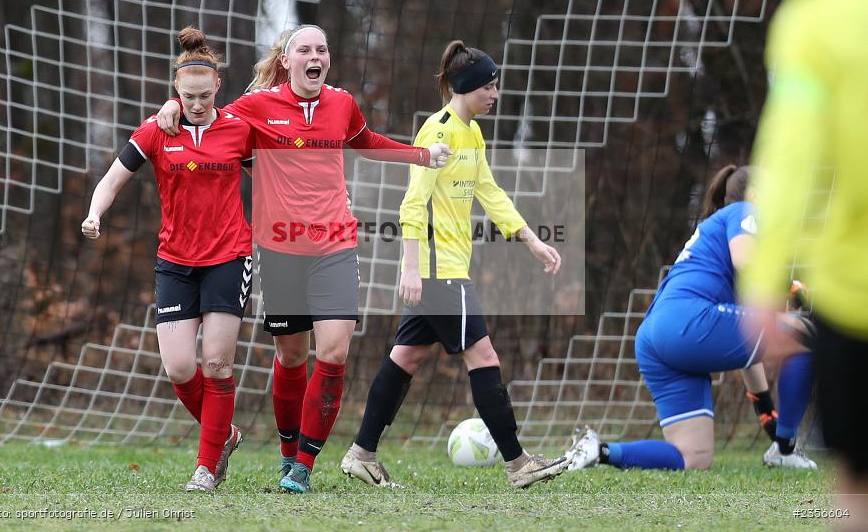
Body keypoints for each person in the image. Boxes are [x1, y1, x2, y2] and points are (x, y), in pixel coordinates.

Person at [156, 24, 451, 493]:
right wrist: (172, 106)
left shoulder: (341, 103)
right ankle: (287, 452)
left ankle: (305, 465)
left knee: (333, 351)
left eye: (322, 49)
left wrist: (420, 154)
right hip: (280, 250)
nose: (315, 56)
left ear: (327, 59)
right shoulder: (255, 108)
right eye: (305, 50)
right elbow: (207, 116)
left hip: (335, 246)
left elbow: (367, 141)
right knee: (292, 357)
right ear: (287, 61)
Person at [339, 40, 572, 489]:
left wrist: (531, 240)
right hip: (438, 268)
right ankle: (518, 463)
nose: (496, 94)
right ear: (467, 87)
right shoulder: (438, 132)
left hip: (444, 268)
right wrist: (410, 268)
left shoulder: (472, 133)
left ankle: (360, 453)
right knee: (483, 356)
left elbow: (490, 193)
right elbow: (413, 203)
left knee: (405, 358)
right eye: (489, 86)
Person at [82, 28, 252, 492]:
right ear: (175, 92)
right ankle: (226, 436)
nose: (196, 104)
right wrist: (95, 214)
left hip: (228, 256)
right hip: (175, 261)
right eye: (187, 96)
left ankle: (206, 466)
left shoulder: (238, 129)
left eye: (203, 95)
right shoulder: (158, 130)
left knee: (217, 364)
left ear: (217, 87)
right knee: (180, 367)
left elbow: (278, 179)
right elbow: (112, 180)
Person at [563, 166, 816, 472]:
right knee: (810, 336)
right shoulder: (744, 210)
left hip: (656, 336)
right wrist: (789, 288)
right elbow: (746, 261)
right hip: (688, 320)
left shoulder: (715, 233)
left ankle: (599, 450)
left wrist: (763, 407)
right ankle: (786, 449)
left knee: (693, 458)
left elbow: (743, 341)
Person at [740, 0, 868, 528]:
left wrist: (764, 286)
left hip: (854, 290)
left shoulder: (817, 19)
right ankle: (783, 440)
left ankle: (783, 439)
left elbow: (787, 165)